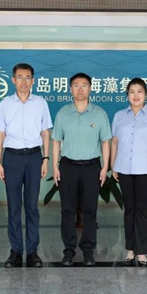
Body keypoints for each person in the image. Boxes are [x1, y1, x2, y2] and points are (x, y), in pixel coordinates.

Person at [0, 63, 52, 268]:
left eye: (27, 77)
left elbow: (46, 132)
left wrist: (46, 158)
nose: (24, 81)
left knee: (32, 206)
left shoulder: (41, 103)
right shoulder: (5, 104)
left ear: (33, 80)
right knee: (14, 206)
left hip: (34, 156)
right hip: (12, 157)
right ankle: (16, 250)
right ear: (13, 80)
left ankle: (33, 251)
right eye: (20, 77)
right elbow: (0, 134)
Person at [52, 73, 112, 267]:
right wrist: (55, 166)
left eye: (84, 85)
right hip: (68, 166)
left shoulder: (99, 113)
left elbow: (105, 142)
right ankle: (69, 250)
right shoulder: (63, 113)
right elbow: (56, 141)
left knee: (90, 210)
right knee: (67, 210)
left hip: (91, 167)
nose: (80, 89)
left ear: (90, 88)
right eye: (76, 85)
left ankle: (88, 250)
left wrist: (105, 167)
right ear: (70, 89)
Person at [110, 78, 147, 267]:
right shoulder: (119, 116)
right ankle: (130, 249)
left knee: (141, 209)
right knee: (129, 209)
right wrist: (113, 165)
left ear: (145, 94)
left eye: (139, 91)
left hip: (145, 170)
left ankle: (141, 252)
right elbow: (115, 142)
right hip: (124, 169)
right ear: (127, 95)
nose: (136, 95)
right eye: (132, 91)